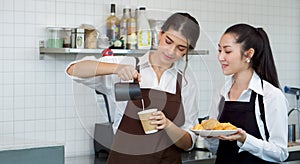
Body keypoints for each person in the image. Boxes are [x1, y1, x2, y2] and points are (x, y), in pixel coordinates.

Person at [66, 12, 200, 163]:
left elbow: (189, 142)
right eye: (168, 41)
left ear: (188, 50)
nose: (171, 51)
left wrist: (168, 125)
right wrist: (116, 68)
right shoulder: (127, 63)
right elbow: (74, 70)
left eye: (180, 48)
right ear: (160, 34)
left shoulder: (186, 82)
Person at [205, 23, 289, 163]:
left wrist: (245, 139)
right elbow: (216, 149)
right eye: (219, 50)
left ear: (248, 54)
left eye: (227, 51)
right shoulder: (221, 94)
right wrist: (209, 137)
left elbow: (280, 153)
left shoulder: (270, 95)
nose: (220, 57)